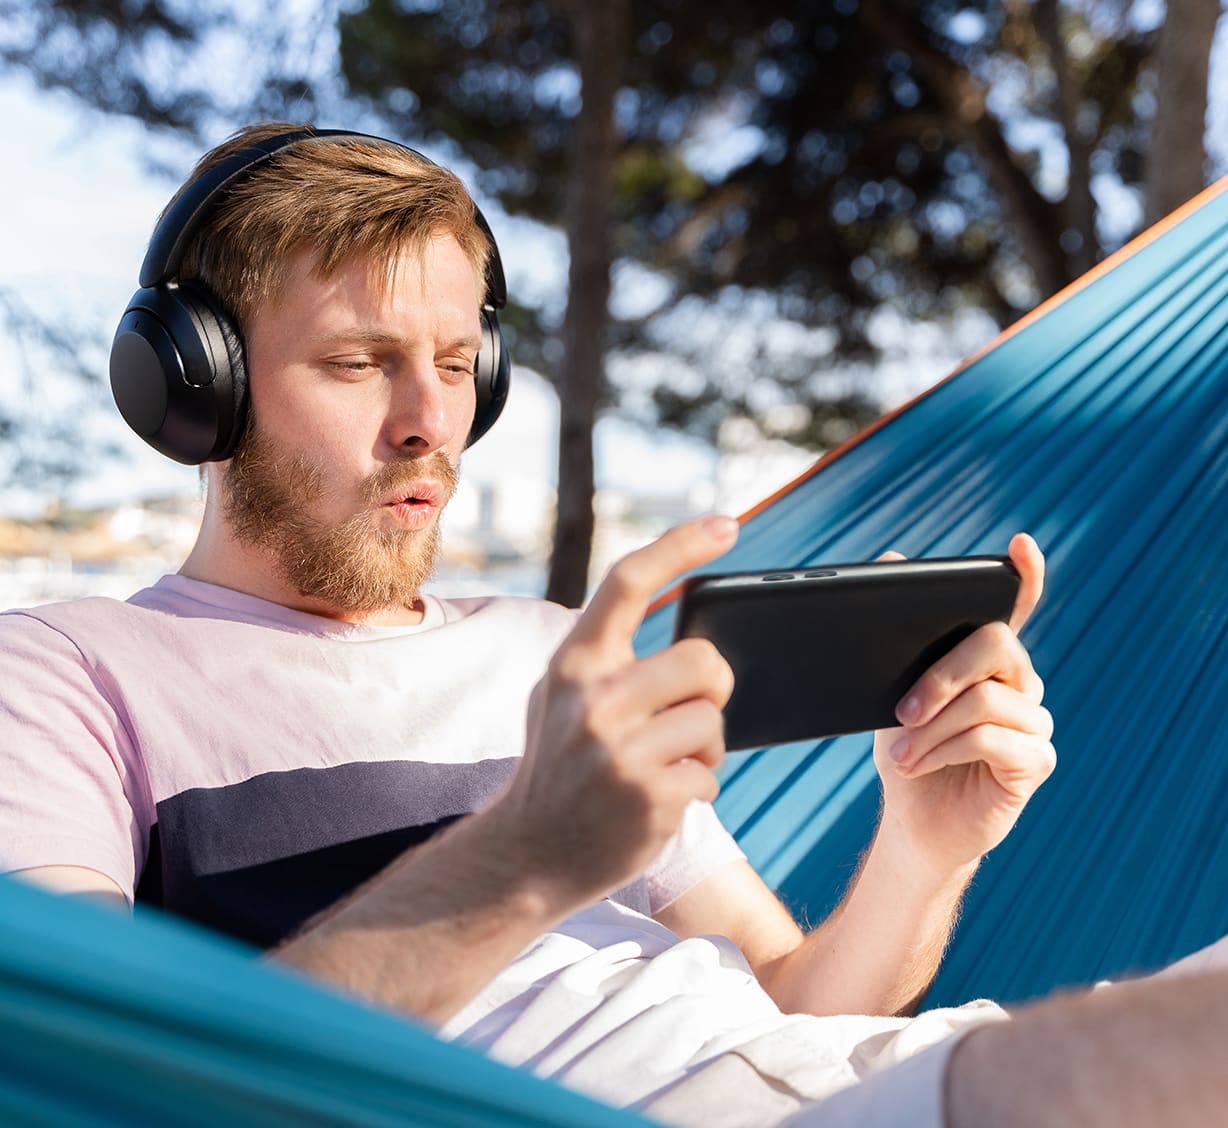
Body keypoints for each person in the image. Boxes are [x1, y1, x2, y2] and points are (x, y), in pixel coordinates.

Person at [0, 123, 1222, 1128]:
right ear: (191, 390)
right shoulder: (68, 677)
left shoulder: (547, 653)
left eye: (456, 361)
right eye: (360, 362)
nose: (435, 419)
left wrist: (923, 844)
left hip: (824, 1087)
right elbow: (108, 1088)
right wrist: (529, 852)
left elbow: (807, 1005)